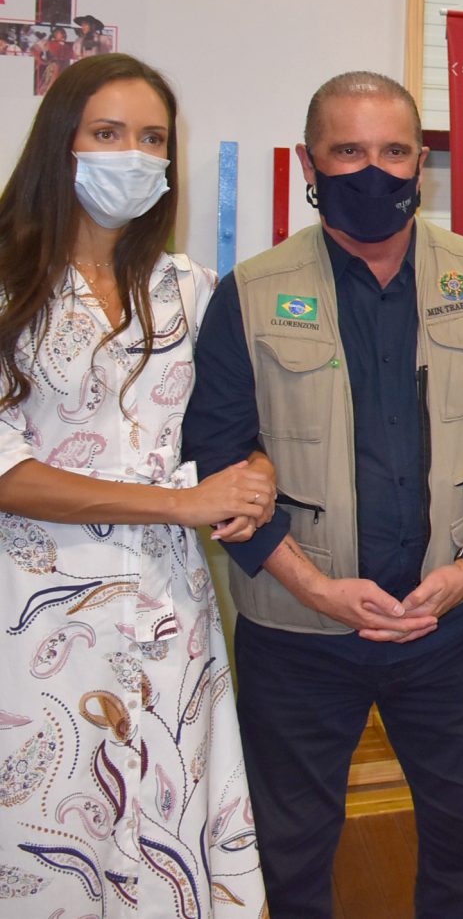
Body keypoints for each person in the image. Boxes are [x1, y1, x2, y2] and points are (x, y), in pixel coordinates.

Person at [182, 71, 463, 919]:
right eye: (348, 150)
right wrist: (315, 587)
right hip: (298, 629)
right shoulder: (248, 293)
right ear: (309, 162)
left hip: (444, 625)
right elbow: (217, 459)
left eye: (393, 151)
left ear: (421, 162)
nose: (373, 171)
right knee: (291, 844)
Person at [0, 55, 271, 916]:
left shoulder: (186, 287)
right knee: (45, 837)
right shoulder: (7, 280)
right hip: (33, 615)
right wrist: (181, 504)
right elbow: (5, 468)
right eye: (109, 133)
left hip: (166, 611)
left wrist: (254, 470)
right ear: (62, 143)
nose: (135, 155)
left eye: (153, 138)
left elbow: (227, 426)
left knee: (163, 831)